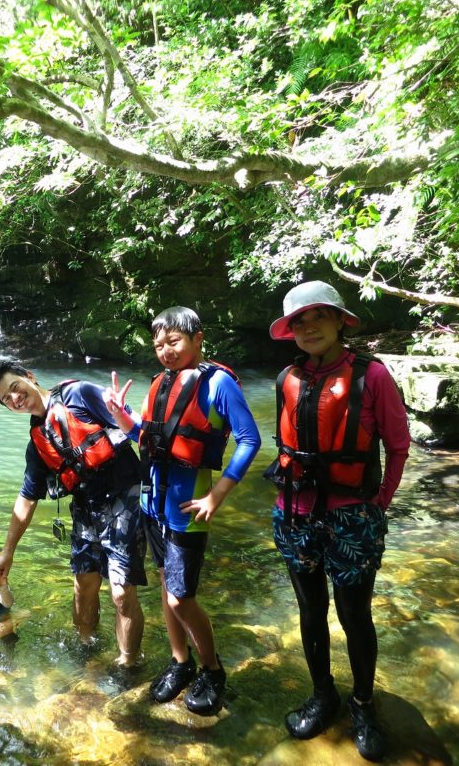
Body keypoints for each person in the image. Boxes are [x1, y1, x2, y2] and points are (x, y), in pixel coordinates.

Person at [266, 280, 410, 762]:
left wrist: (380, 502)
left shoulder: (373, 377)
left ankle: (363, 704)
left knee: (353, 613)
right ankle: (322, 694)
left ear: (338, 321)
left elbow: (397, 444)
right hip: (296, 513)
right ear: (291, 332)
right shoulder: (288, 377)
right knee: (310, 609)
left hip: (353, 516)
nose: (309, 328)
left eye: (317, 318)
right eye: (299, 323)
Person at [104, 306, 261, 716]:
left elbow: (249, 440)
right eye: (159, 345)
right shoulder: (159, 383)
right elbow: (148, 434)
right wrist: (123, 418)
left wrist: (218, 494)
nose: (166, 351)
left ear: (197, 338)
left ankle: (212, 669)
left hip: (189, 504)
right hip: (153, 502)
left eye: (174, 342)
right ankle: (180, 661)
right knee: (164, 585)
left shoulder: (218, 384)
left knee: (180, 598)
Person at [0, 361, 147, 667]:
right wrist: (8, 552)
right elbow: (27, 499)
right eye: (7, 400)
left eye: (15, 388)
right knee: (83, 584)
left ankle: (128, 664)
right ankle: (86, 652)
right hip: (86, 506)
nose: (15, 398)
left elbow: (136, 428)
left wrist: (124, 414)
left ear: (29, 377)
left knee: (121, 592)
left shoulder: (80, 394)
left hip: (124, 497)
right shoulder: (37, 443)